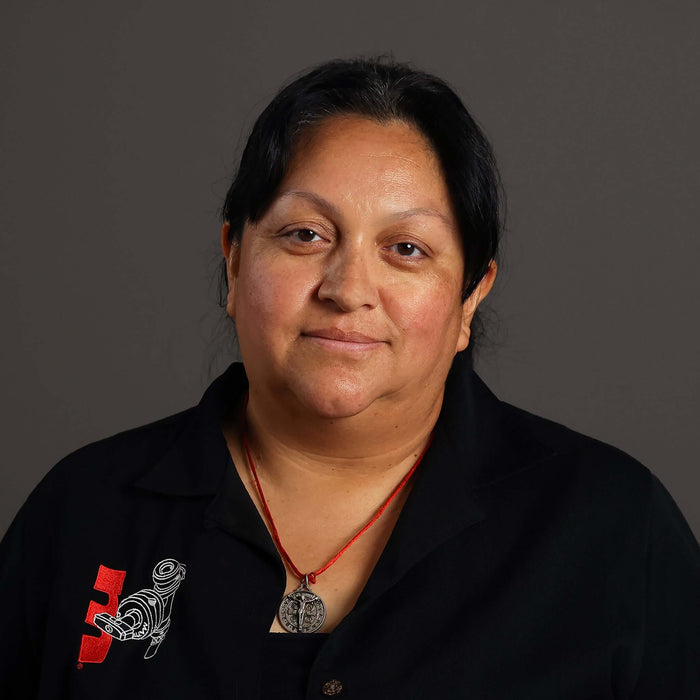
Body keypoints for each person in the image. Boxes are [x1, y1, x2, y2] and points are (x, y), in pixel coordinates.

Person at [1, 56, 698, 699]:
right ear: (235, 260)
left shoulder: (611, 532)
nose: (348, 287)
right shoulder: (80, 517)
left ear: (469, 298)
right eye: (306, 234)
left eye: (406, 248)